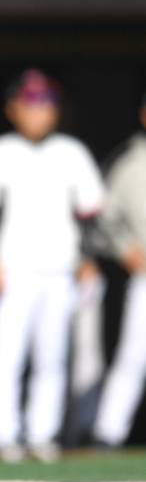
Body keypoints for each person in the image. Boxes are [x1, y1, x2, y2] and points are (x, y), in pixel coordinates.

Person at [0, 69, 104, 462]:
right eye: (31, 104)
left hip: (61, 269)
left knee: (53, 357)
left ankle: (43, 435)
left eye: (47, 105)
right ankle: (5, 437)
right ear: (13, 108)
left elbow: (89, 213)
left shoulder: (72, 152)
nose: (39, 113)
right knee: (6, 355)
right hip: (13, 269)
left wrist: (87, 260)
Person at [91, 97, 146, 449]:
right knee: (134, 357)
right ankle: (107, 435)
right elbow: (102, 219)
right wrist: (125, 248)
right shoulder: (130, 164)